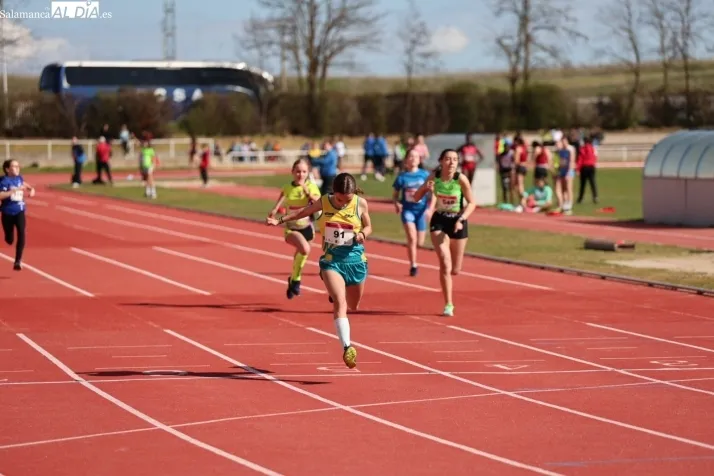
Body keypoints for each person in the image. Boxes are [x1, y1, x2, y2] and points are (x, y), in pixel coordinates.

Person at [266, 173, 372, 369]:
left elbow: (368, 226)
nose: (342, 204)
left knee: (353, 305)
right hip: (332, 261)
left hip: (356, 262)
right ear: (334, 193)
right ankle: (347, 347)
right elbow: (301, 213)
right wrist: (279, 220)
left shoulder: (360, 204)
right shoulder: (325, 202)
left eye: (347, 200)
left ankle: (335, 289)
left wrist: (362, 234)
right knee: (339, 301)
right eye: (339, 200)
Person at [413, 149, 477, 317]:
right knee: (445, 262)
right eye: (448, 159)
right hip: (439, 221)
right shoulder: (434, 176)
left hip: (457, 221)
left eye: (455, 159)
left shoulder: (460, 179)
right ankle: (448, 304)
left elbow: (472, 203)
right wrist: (425, 188)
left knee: (455, 269)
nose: (451, 162)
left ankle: (453, 273)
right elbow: (416, 197)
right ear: (441, 161)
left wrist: (461, 219)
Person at [267, 158, 321, 299]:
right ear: (292, 172)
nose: (300, 174)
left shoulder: (311, 186)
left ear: (308, 173)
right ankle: (296, 280)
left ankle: (293, 280)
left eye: (304, 172)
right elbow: (281, 197)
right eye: (297, 171)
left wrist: (308, 193)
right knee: (305, 249)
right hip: (291, 228)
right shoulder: (287, 187)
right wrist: (274, 211)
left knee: (301, 255)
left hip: (307, 227)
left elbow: (319, 202)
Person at [392, 147, 430, 276]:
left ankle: (412, 250)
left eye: (416, 157)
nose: (413, 159)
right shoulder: (402, 177)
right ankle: (413, 265)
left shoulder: (425, 175)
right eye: (411, 156)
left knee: (420, 242)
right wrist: (396, 203)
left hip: (421, 211)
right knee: (412, 238)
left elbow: (433, 192)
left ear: (419, 160)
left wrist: (431, 208)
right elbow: (395, 195)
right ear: (406, 160)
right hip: (408, 211)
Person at [0, 159, 35, 270]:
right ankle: (8, 236)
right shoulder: (4, 181)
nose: (17, 168)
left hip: (20, 210)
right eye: (14, 166)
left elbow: (22, 183)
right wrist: (14, 191)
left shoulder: (19, 178)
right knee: (9, 240)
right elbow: (1, 195)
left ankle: (18, 261)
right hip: (7, 212)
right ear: (7, 169)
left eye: (18, 166)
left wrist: (31, 189)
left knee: (22, 233)